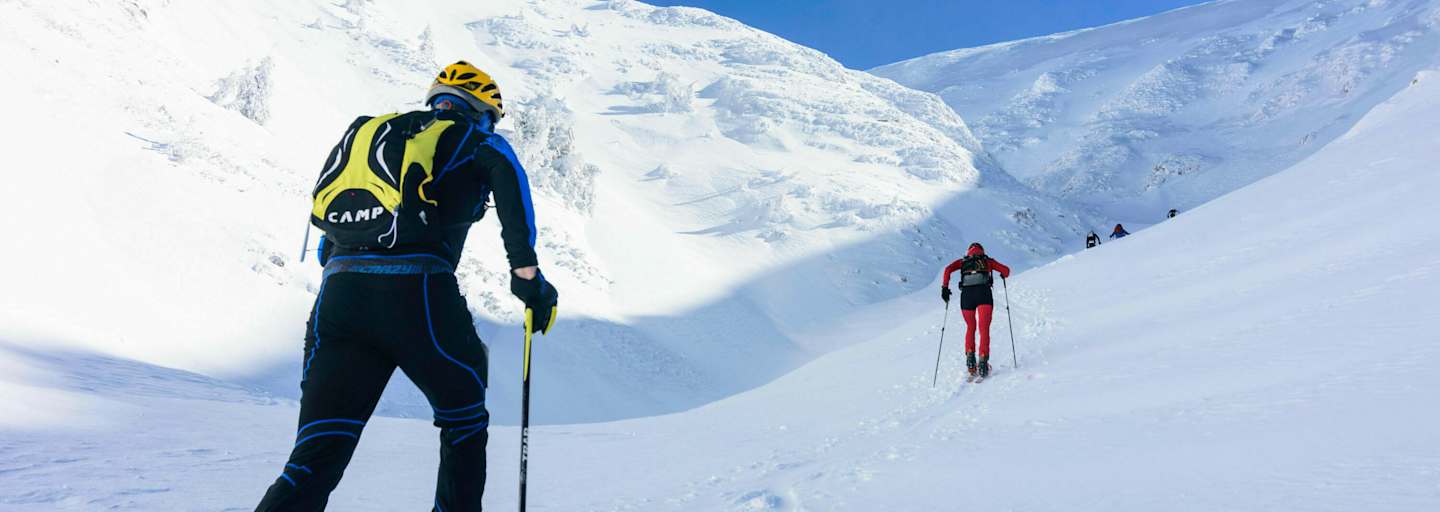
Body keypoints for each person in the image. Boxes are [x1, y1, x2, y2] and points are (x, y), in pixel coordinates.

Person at [255, 61, 559, 512]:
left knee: (318, 449)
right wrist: (529, 282)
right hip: (419, 294)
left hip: (338, 301)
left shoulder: (376, 138)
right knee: (464, 422)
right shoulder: (480, 141)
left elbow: (329, 245)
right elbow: (516, 208)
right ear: (483, 110)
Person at [939, 243, 1011, 379]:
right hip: (984, 294)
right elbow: (1006, 271)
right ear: (981, 251)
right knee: (984, 329)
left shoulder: (963, 262)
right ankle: (983, 362)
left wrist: (944, 287)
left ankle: (971, 361)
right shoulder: (987, 261)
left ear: (969, 252)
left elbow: (948, 269)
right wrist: (1001, 273)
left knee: (970, 327)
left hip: (966, 296)